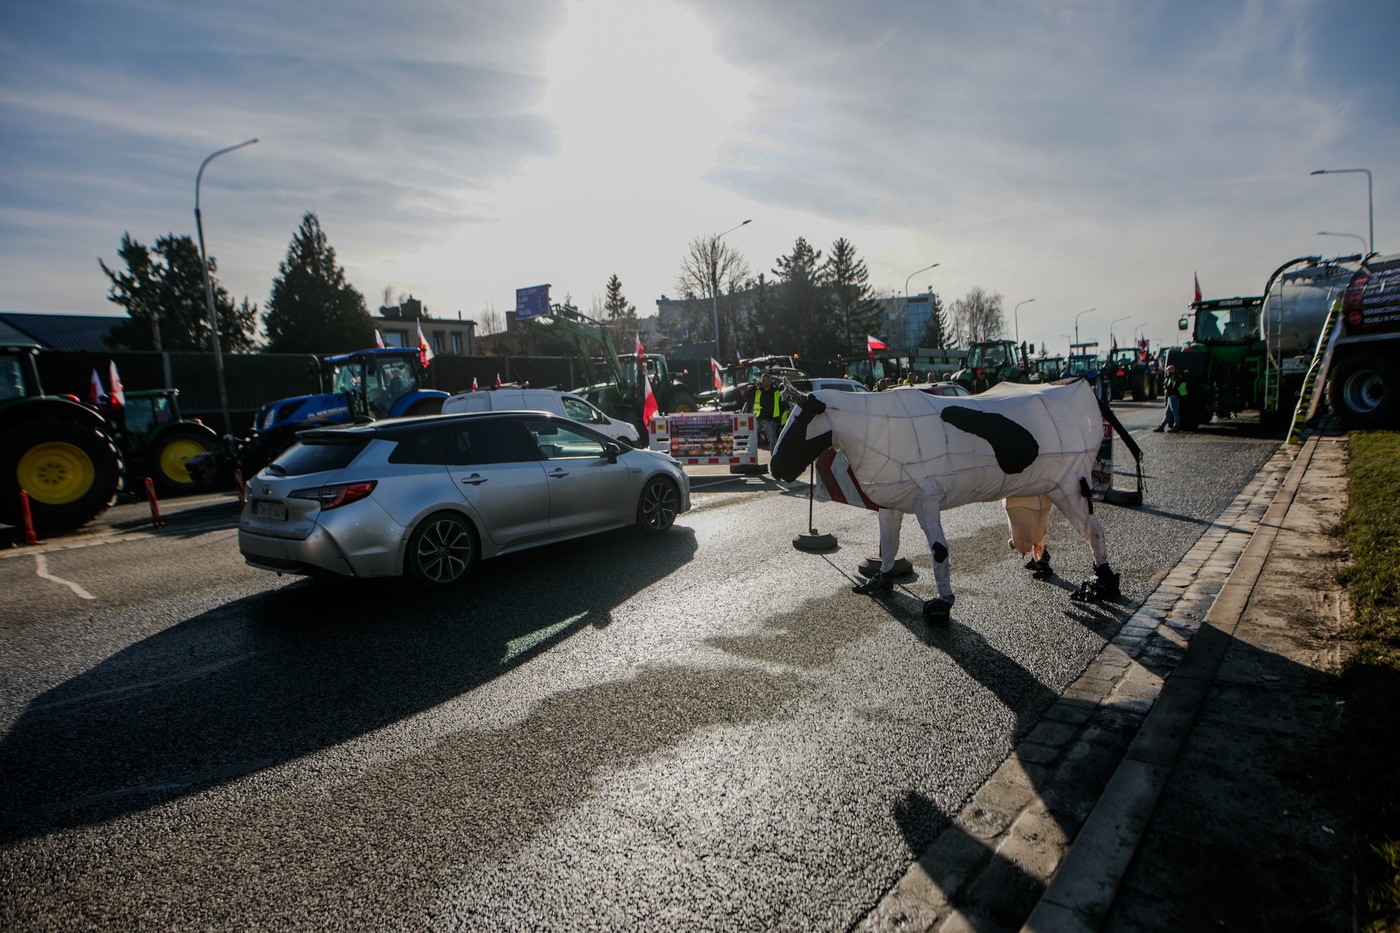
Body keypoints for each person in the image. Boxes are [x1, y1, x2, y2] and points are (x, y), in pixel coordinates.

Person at [749, 372, 784, 451]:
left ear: (769, 381)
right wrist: (754, 387)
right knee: (752, 435)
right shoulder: (758, 391)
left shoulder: (776, 392)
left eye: (765, 380)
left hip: (770, 420)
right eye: (762, 380)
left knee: (772, 440)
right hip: (758, 418)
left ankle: (774, 456)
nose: (763, 382)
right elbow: (747, 395)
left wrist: (778, 419)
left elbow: (782, 406)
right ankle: (751, 454)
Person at [1155, 365, 1188, 432]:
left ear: (1172, 370)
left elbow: (1174, 386)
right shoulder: (1173, 376)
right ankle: (1162, 426)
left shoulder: (1175, 376)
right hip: (1171, 396)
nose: (1167, 372)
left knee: (1174, 412)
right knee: (1168, 413)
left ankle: (1176, 427)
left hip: (1174, 396)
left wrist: (1169, 389)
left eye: (1168, 370)